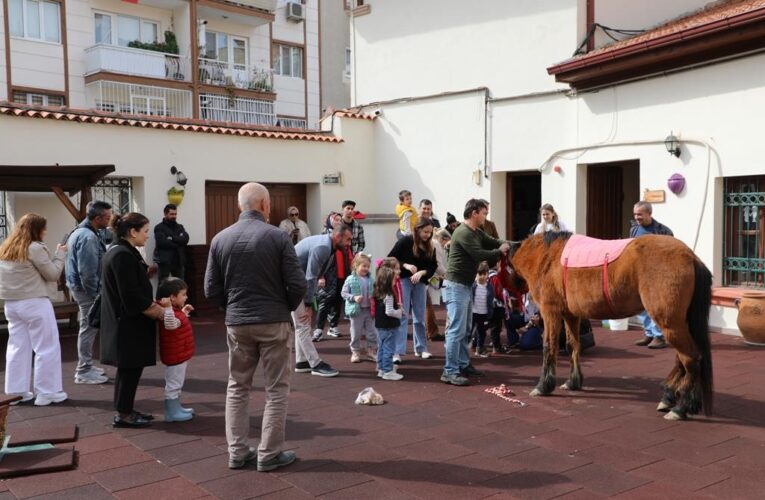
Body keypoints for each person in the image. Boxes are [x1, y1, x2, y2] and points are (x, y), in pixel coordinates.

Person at [205, 182, 305, 472]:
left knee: (237, 387)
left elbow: (211, 289)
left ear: (240, 206)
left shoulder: (220, 239)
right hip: (273, 321)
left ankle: (237, 452)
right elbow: (297, 283)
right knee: (276, 389)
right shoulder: (277, 236)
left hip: (238, 321)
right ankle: (269, 453)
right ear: (265, 205)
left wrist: (231, 307)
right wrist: (282, 305)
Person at [101, 212, 165, 428]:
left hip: (127, 322)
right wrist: (155, 310)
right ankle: (123, 414)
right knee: (129, 369)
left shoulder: (123, 252)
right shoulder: (122, 255)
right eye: (145, 231)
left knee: (129, 370)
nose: (147, 236)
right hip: (128, 324)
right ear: (132, 232)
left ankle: (125, 409)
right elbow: (129, 294)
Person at [0, 214, 68, 406]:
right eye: (43, 228)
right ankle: (47, 392)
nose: (45, 232)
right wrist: (60, 254)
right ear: (36, 229)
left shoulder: (7, 248)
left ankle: (16, 392)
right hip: (35, 302)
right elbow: (53, 274)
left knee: (17, 347)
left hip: (12, 304)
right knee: (47, 347)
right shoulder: (35, 248)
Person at [441, 199, 509, 386]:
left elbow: (494, 241)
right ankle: (450, 371)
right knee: (456, 330)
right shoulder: (463, 233)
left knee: (464, 329)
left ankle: (463, 364)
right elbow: (479, 254)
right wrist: (499, 250)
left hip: (464, 286)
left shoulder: (475, 231)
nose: (485, 216)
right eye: (484, 213)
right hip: (456, 286)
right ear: (474, 213)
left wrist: (509, 244)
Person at [293, 226, 353, 378]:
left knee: (302, 324)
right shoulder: (323, 247)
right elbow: (310, 276)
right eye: (348, 239)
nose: (349, 243)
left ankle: (301, 362)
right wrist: (308, 304)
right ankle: (315, 363)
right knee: (302, 323)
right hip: (292, 284)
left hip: (294, 282)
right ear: (338, 237)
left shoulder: (329, 246)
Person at [66, 200, 112, 385]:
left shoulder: (82, 231)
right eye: (107, 217)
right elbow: (87, 272)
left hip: (80, 288)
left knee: (88, 327)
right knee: (88, 327)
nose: (109, 220)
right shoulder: (88, 237)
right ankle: (83, 370)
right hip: (86, 291)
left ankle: (87, 365)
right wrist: (96, 295)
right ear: (98, 218)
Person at [388, 217, 438, 362]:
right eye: (425, 232)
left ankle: (421, 348)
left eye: (430, 233)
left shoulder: (430, 246)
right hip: (404, 280)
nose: (427, 235)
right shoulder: (405, 241)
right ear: (417, 229)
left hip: (420, 283)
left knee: (419, 317)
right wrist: (406, 266)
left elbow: (432, 266)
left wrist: (422, 273)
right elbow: (391, 257)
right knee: (402, 315)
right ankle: (397, 352)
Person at [630, 201, 674, 349]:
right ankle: (649, 334)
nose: (637, 217)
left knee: (654, 307)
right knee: (641, 306)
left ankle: (659, 337)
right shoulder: (634, 230)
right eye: (635, 214)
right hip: (639, 274)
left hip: (657, 275)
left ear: (649, 214)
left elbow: (671, 254)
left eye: (640, 214)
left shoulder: (663, 231)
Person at [156, 278, 195, 423]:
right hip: (175, 356)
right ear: (172, 297)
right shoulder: (169, 312)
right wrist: (168, 309)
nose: (186, 297)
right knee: (174, 384)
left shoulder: (175, 311)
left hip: (179, 354)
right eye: (183, 294)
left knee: (177, 383)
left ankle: (176, 407)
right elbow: (171, 325)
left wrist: (184, 312)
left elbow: (176, 322)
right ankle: (172, 412)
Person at [340, 253, 377, 363]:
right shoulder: (350, 279)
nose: (366, 268)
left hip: (369, 310)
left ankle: (371, 351)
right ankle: (355, 352)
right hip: (357, 311)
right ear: (356, 266)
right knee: (356, 333)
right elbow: (343, 293)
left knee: (372, 332)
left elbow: (375, 292)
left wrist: (374, 296)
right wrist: (354, 297)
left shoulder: (371, 279)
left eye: (368, 266)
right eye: (363, 266)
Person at [373, 261, 404, 381]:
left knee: (381, 347)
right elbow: (389, 311)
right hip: (389, 326)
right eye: (393, 279)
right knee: (388, 349)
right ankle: (388, 370)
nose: (395, 281)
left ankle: (381, 368)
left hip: (380, 325)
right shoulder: (389, 294)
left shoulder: (378, 293)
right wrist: (399, 313)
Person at [153, 204, 189, 281]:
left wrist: (172, 238)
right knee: (163, 286)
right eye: (171, 214)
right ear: (165, 214)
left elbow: (185, 239)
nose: (174, 216)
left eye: (175, 214)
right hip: (165, 262)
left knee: (180, 285)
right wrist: (179, 242)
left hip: (179, 262)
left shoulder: (180, 227)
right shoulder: (159, 227)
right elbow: (162, 242)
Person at [426, 228, 450, 341]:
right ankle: (432, 332)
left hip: (428, 275)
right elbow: (438, 265)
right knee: (428, 306)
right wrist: (448, 275)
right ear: (443, 239)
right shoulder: (436, 245)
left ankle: (432, 331)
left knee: (427, 305)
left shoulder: (432, 243)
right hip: (429, 277)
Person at [471, 261, 494, 358]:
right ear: (477, 274)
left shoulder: (489, 287)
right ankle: (463, 349)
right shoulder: (473, 285)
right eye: (481, 274)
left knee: (481, 332)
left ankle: (479, 349)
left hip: (483, 313)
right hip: (473, 312)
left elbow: (491, 299)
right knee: (469, 331)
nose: (483, 276)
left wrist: (490, 313)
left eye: (485, 274)